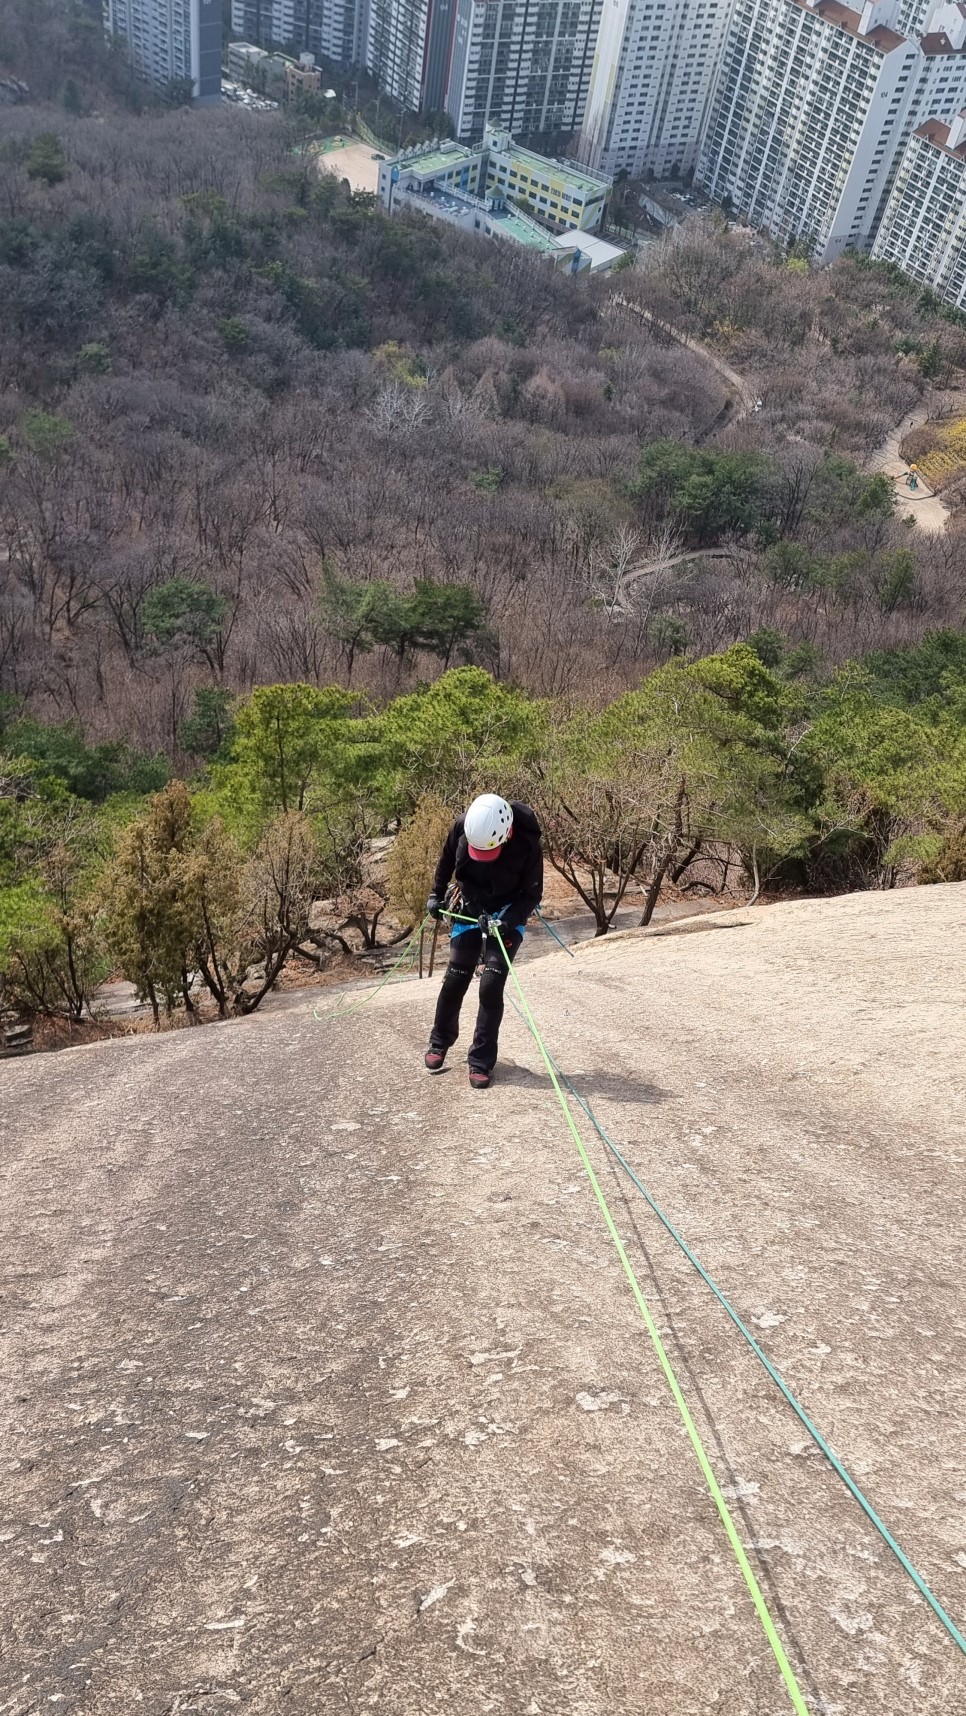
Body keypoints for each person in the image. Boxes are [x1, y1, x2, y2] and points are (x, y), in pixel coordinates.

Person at [424, 793, 543, 1089]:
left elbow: (532, 895)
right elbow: (447, 858)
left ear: (506, 834)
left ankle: (480, 1060)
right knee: (456, 977)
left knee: (490, 985)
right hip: (471, 905)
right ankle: (439, 1041)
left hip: (508, 912)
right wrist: (436, 893)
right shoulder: (465, 827)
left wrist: (507, 921)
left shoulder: (527, 845)